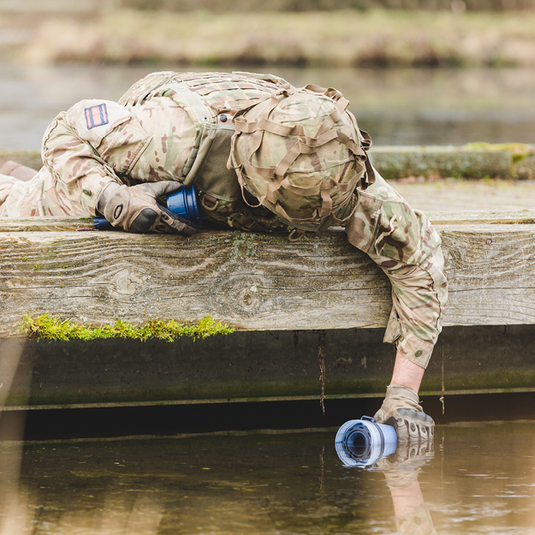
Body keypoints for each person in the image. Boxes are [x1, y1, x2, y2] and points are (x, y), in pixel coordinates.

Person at [0, 71, 447, 443]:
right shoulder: (168, 137)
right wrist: (112, 196)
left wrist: (404, 396)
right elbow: (67, 128)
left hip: (243, 150)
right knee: (36, 209)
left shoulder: (342, 176)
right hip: (158, 142)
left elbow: (421, 265)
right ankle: (22, 186)